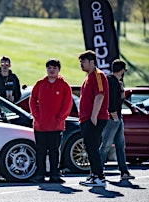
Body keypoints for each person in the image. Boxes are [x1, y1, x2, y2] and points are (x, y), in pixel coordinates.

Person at [29, 58, 72, 183]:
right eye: (49, 68)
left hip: (56, 126)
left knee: (54, 151)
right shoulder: (40, 84)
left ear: (59, 70)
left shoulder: (64, 86)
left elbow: (67, 105)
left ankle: (54, 174)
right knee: (40, 151)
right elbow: (32, 101)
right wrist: (37, 116)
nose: (51, 70)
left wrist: (59, 119)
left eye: (54, 68)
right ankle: (40, 174)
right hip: (40, 126)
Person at [99, 59, 135, 180]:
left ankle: (124, 172)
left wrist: (122, 88)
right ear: (122, 70)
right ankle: (97, 172)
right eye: (124, 70)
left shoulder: (116, 82)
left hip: (117, 118)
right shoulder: (110, 81)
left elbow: (121, 100)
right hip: (112, 118)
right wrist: (114, 115)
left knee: (120, 145)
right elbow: (110, 101)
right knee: (106, 145)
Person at [78, 50, 109, 187]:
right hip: (87, 118)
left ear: (92, 62)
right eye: (81, 62)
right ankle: (93, 175)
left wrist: (94, 116)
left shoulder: (98, 75)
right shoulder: (88, 77)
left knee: (92, 147)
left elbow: (100, 95)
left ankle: (99, 178)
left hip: (95, 118)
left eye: (83, 62)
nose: (81, 65)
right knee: (91, 147)